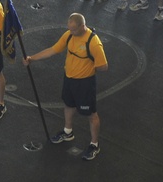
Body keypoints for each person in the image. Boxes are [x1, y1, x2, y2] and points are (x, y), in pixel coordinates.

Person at [24, 13, 108, 161]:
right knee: (68, 105)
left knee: (91, 114)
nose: (71, 32)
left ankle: (94, 144)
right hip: (69, 79)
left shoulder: (93, 42)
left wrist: (88, 68)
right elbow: (53, 50)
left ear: (83, 26)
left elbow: (103, 66)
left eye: (74, 29)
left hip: (85, 84)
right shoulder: (69, 35)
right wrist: (32, 58)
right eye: (69, 29)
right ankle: (67, 132)